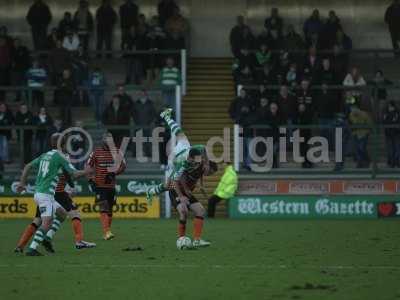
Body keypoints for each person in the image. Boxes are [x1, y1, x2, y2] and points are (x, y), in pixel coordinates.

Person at [146, 108, 213, 247]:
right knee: (169, 184)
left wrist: (206, 163)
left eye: (198, 161)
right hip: (173, 158)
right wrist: (182, 196)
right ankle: (151, 191)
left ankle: (197, 240)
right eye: (194, 161)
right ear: (189, 158)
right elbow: (176, 182)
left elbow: (204, 149)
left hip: (184, 146)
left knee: (181, 135)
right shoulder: (181, 163)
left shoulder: (197, 153)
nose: (196, 163)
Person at [16, 133, 91, 256]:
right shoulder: (60, 156)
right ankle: (32, 249)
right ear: (62, 144)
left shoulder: (46, 155)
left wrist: (22, 183)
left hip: (40, 193)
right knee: (47, 222)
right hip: (46, 194)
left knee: (60, 214)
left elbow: (28, 165)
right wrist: (87, 171)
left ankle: (27, 244)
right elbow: (74, 174)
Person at [86, 132, 126, 240]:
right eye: (107, 140)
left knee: (110, 209)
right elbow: (87, 166)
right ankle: (107, 232)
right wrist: (90, 180)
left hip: (111, 186)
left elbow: (123, 165)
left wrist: (114, 173)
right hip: (99, 185)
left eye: (111, 140)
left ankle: (107, 232)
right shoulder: (96, 152)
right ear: (103, 140)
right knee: (103, 206)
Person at [132, 90, 157, 157]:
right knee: (136, 139)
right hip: (138, 124)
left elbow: (153, 113)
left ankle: (148, 153)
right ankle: (135, 153)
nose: (142, 95)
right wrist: (136, 121)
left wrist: (149, 121)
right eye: (141, 94)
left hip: (147, 125)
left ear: (146, 94)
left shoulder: (150, 103)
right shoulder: (136, 103)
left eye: (144, 94)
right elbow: (133, 113)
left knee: (147, 139)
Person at [383, 101, 400, 168]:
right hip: (390, 133)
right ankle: (392, 161)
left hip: (395, 133)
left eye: (391, 106)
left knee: (396, 148)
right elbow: (384, 122)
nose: (390, 108)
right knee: (392, 148)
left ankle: (395, 161)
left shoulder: (397, 113)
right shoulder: (386, 113)